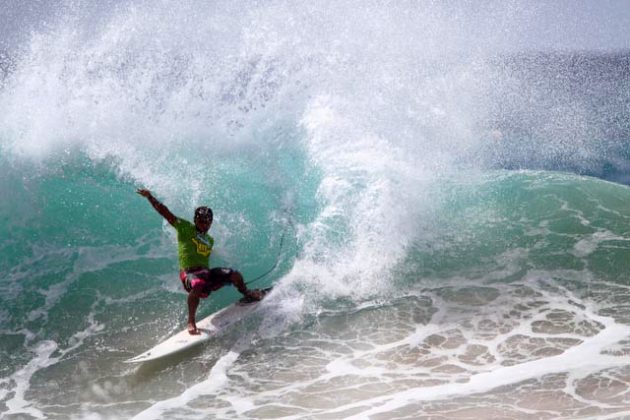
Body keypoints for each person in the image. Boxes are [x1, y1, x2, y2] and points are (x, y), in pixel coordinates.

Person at [137, 189, 263, 335]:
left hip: (206, 275)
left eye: (207, 222)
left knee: (235, 275)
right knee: (198, 284)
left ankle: (247, 293)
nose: (204, 224)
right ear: (195, 220)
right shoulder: (185, 228)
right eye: (201, 221)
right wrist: (150, 197)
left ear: (211, 222)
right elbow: (165, 212)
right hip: (189, 274)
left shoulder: (210, 240)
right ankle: (191, 321)